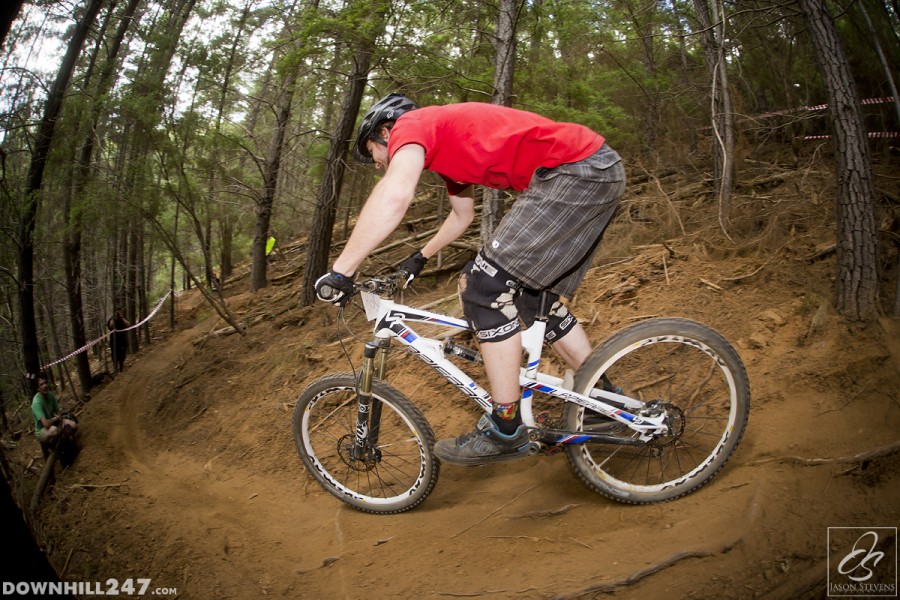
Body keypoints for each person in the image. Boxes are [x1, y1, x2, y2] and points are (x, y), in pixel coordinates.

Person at [315, 94, 626, 465]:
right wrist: (420, 257)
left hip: (575, 173)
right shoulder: (445, 153)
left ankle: (505, 427)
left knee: (483, 287)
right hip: (590, 171)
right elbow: (461, 217)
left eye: (373, 152)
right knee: (529, 296)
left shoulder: (413, 126)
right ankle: (601, 401)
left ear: (386, 131)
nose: (378, 164)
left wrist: (342, 269)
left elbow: (395, 195)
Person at [31, 377, 77, 454]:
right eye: (41, 384)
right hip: (41, 429)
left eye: (45, 383)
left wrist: (59, 421)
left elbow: (59, 412)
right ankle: (52, 448)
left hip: (53, 422)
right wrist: (56, 419)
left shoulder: (50, 395)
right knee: (54, 431)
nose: (45, 385)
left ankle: (65, 444)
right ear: (38, 388)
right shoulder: (36, 403)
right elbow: (45, 424)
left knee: (73, 425)